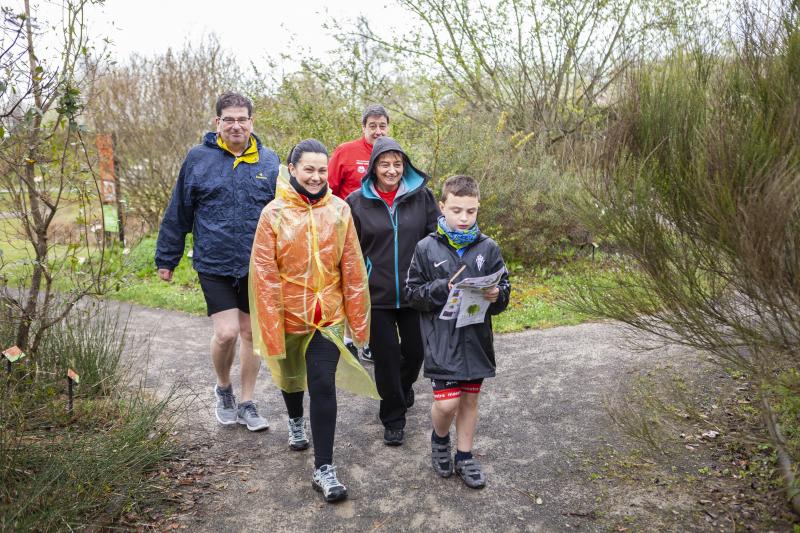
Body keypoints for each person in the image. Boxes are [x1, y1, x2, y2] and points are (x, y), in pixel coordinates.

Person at [249, 139, 379, 503]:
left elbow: (352, 267)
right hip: (289, 313)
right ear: (292, 169)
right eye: (308, 169)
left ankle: (324, 468)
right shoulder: (272, 215)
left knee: (322, 384)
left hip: (329, 318)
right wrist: (272, 326)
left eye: (322, 170)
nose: (316, 176)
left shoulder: (339, 210)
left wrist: (358, 321)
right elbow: (263, 274)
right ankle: (294, 420)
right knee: (292, 379)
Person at [155, 92, 279, 431]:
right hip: (214, 262)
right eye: (229, 119)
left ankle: (248, 402)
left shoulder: (269, 161)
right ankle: (223, 388)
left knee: (251, 334)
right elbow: (178, 210)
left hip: (257, 264)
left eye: (242, 119)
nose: (236, 125)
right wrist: (168, 256)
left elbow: (283, 217)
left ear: (252, 122)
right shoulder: (198, 159)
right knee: (226, 334)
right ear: (217, 123)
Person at [405, 174, 511, 489]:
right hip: (442, 339)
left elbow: (504, 289)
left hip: (476, 339)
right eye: (456, 210)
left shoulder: (489, 247)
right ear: (442, 207)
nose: (463, 218)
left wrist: (497, 295)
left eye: (470, 211)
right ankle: (440, 439)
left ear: (478, 208)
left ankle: (464, 456)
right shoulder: (426, 247)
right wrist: (442, 288)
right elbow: (412, 293)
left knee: (468, 401)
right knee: (447, 403)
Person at [346, 136, 440, 446]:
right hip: (377, 296)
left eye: (397, 164)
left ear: (405, 166)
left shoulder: (422, 197)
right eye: (385, 164)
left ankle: (402, 386)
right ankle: (393, 417)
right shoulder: (356, 202)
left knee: (416, 352)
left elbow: (434, 239)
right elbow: (350, 251)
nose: (391, 170)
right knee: (385, 358)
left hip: (415, 293)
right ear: (373, 167)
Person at [328, 104, 391, 363]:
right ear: (363, 127)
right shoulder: (346, 152)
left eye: (382, 126)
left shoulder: (392, 153)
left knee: (373, 286)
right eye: (372, 126)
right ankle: (350, 340)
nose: (377, 131)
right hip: (347, 231)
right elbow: (328, 189)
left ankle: (366, 340)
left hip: (382, 234)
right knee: (350, 284)